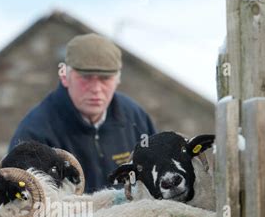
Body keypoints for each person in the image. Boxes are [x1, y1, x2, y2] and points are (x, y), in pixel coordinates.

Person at [9, 33, 156, 192]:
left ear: (117, 79)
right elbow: (24, 204)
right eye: (85, 77)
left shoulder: (136, 118)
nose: (96, 89)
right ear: (65, 77)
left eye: (105, 78)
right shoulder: (35, 132)